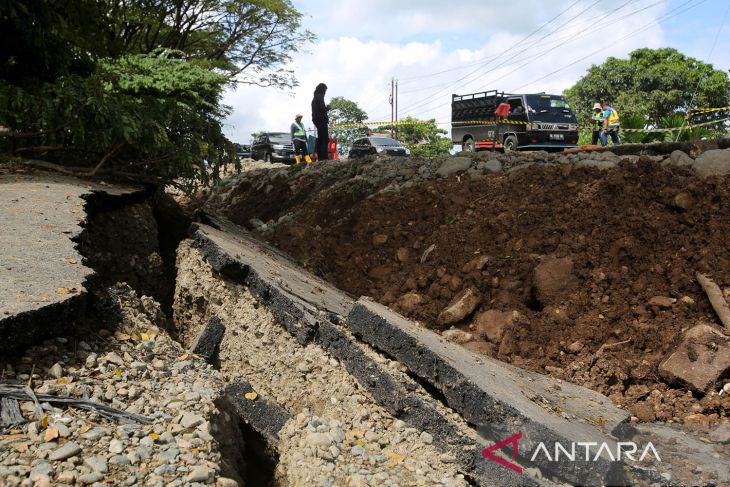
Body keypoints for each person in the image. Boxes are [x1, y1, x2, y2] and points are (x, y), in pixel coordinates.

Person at [311, 83, 329, 161]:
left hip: (316, 119)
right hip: (321, 119)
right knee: (324, 138)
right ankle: (323, 156)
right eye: (325, 90)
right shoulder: (320, 96)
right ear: (322, 89)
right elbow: (322, 108)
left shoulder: (314, 98)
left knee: (320, 138)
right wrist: (327, 108)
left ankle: (320, 156)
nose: (325, 92)